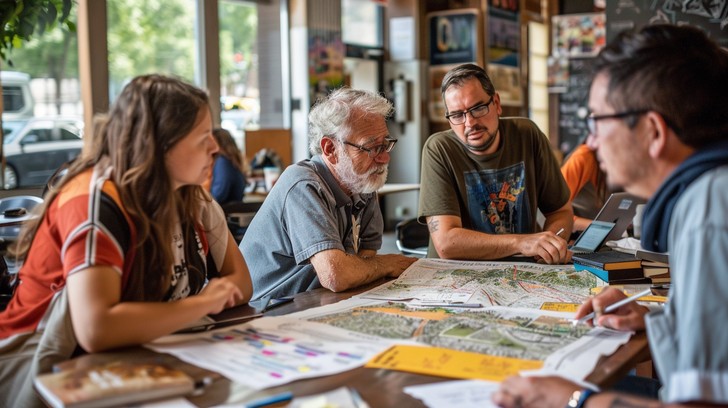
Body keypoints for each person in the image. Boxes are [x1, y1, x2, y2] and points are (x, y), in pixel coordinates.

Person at [492, 24, 728, 408]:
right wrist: (654, 321)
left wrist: (574, 399)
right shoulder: (709, 190)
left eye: (598, 121)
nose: (591, 141)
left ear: (653, 131)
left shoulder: (709, 210)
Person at [0, 74, 253, 406]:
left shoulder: (190, 196)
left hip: (130, 357)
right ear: (160, 144)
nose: (215, 147)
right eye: (203, 136)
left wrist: (201, 303)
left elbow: (241, 285)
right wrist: (203, 303)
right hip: (41, 369)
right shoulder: (92, 200)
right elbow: (97, 329)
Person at [240, 87, 416, 302]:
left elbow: (364, 261)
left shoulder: (362, 183)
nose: (384, 159)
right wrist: (386, 264)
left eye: (385, 145)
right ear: (330, 149)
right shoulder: (303, 185)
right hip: (265, 310)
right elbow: (337, 275)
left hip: (317, 301)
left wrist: (364, 268)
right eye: (371, 148)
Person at [418, 63, 573, 264]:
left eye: (478, 108)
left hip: (524, 270)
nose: (469, 123)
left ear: (497, 103)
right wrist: (521, 243)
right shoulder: (439, 149)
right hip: (455, 275)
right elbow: (447, 243)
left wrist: (551, 246)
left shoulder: (527, 135)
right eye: (457, 115)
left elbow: (561, 211)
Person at [560, 142, 612, 233]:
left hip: (596, 234)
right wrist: (605, 227)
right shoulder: (582, 157)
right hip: (569, 235)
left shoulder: (612, 161)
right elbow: (557, 215)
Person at [210, 128, 247, 205]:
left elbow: (217, 195)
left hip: (224, 209)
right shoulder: (233, 161)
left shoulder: (222, 162)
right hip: (234, 208)